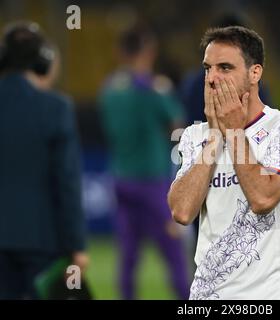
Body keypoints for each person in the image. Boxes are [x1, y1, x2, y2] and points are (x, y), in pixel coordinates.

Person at [168, 26, 280, 300]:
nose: (212, 79)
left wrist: (233, 133)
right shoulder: (194, 136)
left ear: (255, 72)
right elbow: (182, 212)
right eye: (208, 68)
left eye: (225, 68)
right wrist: (214, 137)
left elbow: (262, 198)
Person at [99, 24, 190, 300]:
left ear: (120, 52)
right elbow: (177, 127)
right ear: (148, 52)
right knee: (174, 253)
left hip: (121, 178)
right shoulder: (154, 88)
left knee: (128, 256)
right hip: (152, 181)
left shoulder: (109, 89)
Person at [0, 21, 88, 299]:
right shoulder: (56, 108)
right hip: (42, 242)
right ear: (43, 60)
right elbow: (67, 182)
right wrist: (76, 246)